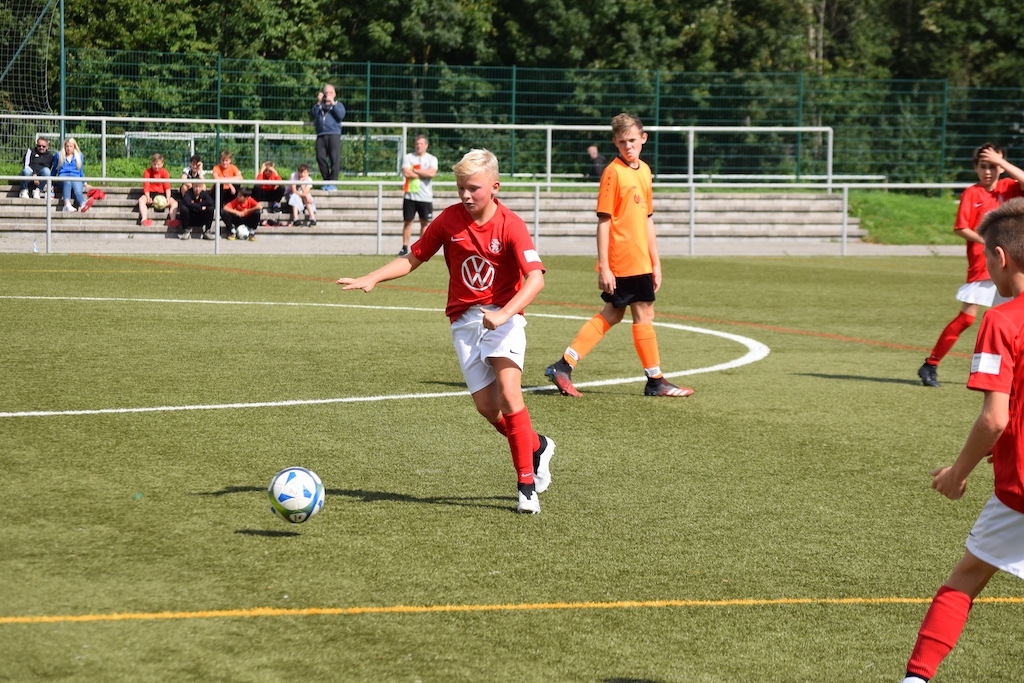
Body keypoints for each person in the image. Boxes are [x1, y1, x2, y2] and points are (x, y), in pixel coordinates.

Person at [336, 149, 556, 514]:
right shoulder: (449, 220)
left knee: (508, 393)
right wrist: (373, 277)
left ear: (495, 187)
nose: (466, 195)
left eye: (473, 188)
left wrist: (504, 313)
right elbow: (414, 257)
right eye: (460, 188)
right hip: (464, 323)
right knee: (487, 408)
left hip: (504, 318)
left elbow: (535, 279)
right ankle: (536, 446)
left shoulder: (511, 225)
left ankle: (526, 486)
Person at [900, 197, 1024, 683]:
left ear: (1000, 257)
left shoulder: (1002, 320)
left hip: (1020, 491)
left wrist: (957, 473)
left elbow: (994, 419)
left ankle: (916, 678)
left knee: (966, 577)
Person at [544, 113, 693, 398]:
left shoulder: (645, 170)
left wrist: (656, 262)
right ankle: (655, 380)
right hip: (623, 259)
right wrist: (605, 266)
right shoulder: (612, 172)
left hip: (640, 259)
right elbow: (604, 221)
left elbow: (647, 219)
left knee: (614, 313)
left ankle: (564, 365)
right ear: (615, 142)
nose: (628, 146)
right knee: (642, 313)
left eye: (633, 140)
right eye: (622, 142)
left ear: (644, 138)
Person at [918, 143, 1024, 388]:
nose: (988, 171)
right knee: (966, 318)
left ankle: (1011, 369)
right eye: (983, 166)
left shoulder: (1010, 187)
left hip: (1011, 266)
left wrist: (1001, 161)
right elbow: (961, 227)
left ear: (1001, 167)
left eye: (993, 166)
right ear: (976, 168)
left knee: (1015, 316)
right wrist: (989, 241)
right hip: (984, 265)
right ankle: (930, 364)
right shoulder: (972, 193)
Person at [398, 134, 439, 256]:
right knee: (408, 222)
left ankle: (422, 247)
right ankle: (405, 247)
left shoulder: (432, 159)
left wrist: (415, 170)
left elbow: (431, 174)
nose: (418, 146)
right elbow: (406, 173)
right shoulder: (408, 157)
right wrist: (423, 173)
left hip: (425, 197)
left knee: (424, 223)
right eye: (417, 143)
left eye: (421, 143)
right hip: (410, 196)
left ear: (426, 145)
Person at [310, 83, 346, 191]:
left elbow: (341, 115)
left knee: (334, 158)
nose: (328, 95)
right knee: (320, 157)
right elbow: (312, 115)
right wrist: (318, 102)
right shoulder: (319, 106)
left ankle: (333, 182)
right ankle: (326, 180)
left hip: (333, 134)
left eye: (330, 93)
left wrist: (333, 103)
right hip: (321, 135)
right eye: (326, 93)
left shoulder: (338, 105)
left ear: (334, 94)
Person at [137, 153, 180, 228]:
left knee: (174, 203)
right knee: (141, 200)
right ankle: (144, 219)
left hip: (162, 194)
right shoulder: (147, 172)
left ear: (162, 164)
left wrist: (168, 198)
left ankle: (172, 220)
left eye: (158, 164)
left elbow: (167, 187)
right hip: (151, 193)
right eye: (154, 164)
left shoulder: (165, 172)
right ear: (151, 163)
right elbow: (146, 186)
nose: (156, 166)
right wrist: (148, 197)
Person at [53, 138, 87, 212]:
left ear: (74, 147)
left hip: (75, 177)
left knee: (77, 190)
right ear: (64, 147)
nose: (68, 148)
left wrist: (84, 182)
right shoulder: (59, 155)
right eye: (67, 146)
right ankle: (67, 205)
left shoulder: (79, 156)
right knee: (67, 182)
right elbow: (54, 169)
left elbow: (80, 170)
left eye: (71, 146)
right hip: (63, 177)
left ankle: (82, 204)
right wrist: (50, 181)